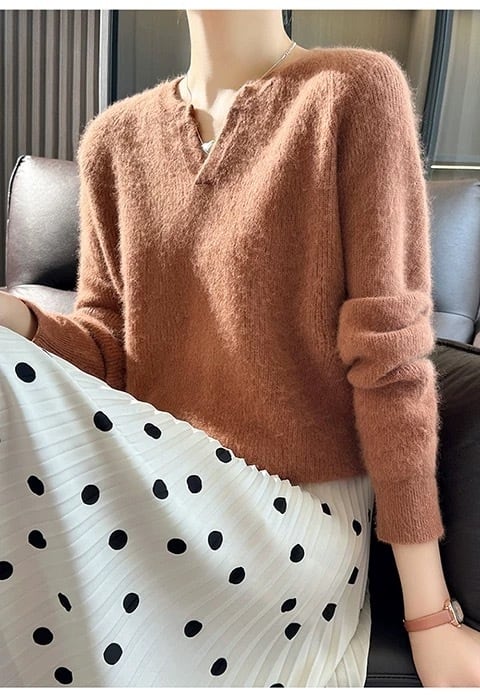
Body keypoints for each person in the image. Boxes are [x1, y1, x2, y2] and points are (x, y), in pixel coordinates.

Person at [0, 9, 479, 688]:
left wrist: (430, 619)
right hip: (150, 493)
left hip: (291, 521)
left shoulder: (353, 91)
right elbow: (107, 352)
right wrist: (12, 316)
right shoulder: (114, 138)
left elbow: (391, 363)